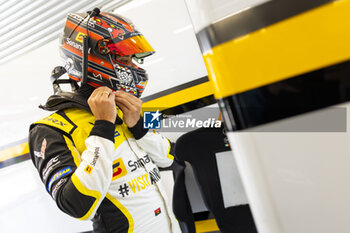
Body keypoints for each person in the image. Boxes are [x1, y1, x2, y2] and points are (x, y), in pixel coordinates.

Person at [28, 9, 181, 233]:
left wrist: (139, 127)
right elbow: (76, 205)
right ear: (91, 58)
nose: (133, 68)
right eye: (124, 59)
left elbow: (170, 159)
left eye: (132, 60)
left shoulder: (122, 109)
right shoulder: (50, 129)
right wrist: (102, 128)